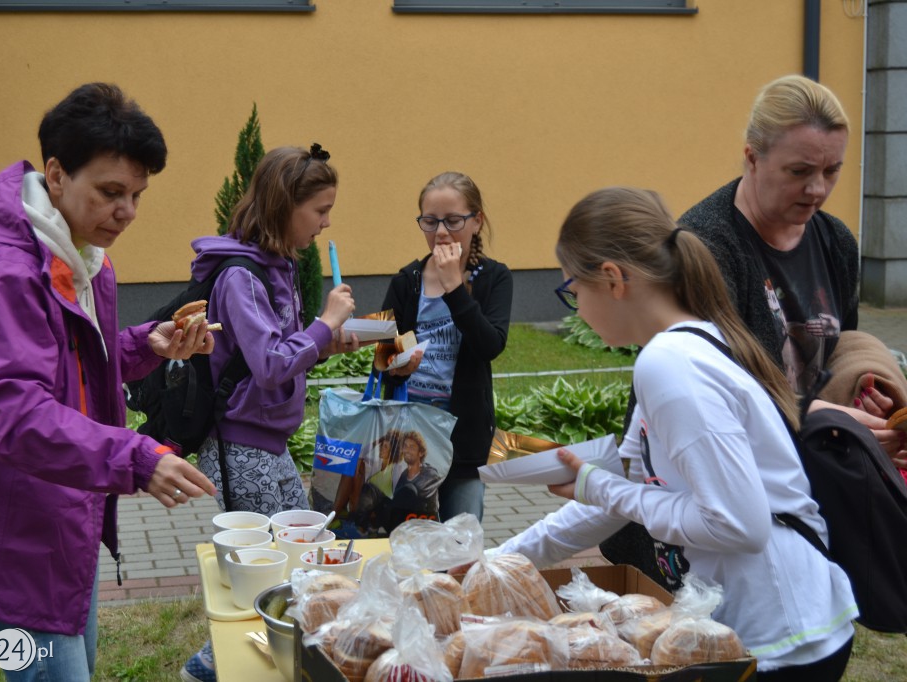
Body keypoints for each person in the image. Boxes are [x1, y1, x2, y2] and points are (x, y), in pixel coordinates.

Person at [0, 82, 218, 681]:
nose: (128, 213)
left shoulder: (75, 251)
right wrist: (137, 457)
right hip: (16, 525)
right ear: (56, 175)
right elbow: (14, 414)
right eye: (112, 192)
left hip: (61, 508)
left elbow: (57, 363)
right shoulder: (6, 269)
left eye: (138, 195)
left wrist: (145, 345)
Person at [493, 186, 857, 679]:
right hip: (777, 627)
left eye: (572, 292)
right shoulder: (678, 350)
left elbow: (737, 525)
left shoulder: (671, 365)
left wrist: (601, 486)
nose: (573, 309)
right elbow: (619, 496)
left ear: (613, 278)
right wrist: (497, 560)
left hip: (783, 638)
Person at [181, 143, 362, 682]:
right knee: (264, 574)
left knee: (294, 560)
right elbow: (268, 365)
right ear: (285, 206)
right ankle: (216, 666)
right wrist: (323, 323)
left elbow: (282, 347)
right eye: (320, 211)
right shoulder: (242, 277)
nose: (325, 225)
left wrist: (330, 341)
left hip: (269, 443)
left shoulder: (278, 267)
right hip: (243, 447)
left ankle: (261, 661)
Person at [680, 74, 907, 463]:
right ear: (753, 157)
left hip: (814, 466)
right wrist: (833, 418)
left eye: (832, 171)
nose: (817, 189)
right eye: (799, 172)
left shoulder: (836, 240)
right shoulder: (704, 245)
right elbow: (711, 390)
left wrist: (868, 402)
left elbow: (835, 353)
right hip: (735, 473)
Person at [380, 171, 512, 523]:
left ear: (476, 221)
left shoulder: (494, 278)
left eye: (453, 221)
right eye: (430, 221)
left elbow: (489, 345)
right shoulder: (407, 281)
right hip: (410, 432)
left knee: (461, 543)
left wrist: (454, 286)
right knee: (409, 541)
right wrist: (396, 366)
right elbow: (385, 354)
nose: (440, 231)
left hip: (464, 435)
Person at [390, 430, 441, 520]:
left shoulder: (430, 474)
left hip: (425, 523)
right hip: (404, 522)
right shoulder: (403, 476)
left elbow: (415, 493)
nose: (407, 450)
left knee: (409, 489)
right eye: (405, 446)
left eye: (412, 447)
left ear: (420, 453)